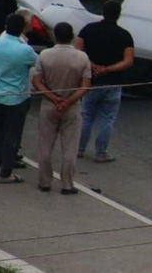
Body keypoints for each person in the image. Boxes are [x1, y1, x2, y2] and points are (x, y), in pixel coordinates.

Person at [33, 22, 91, 194]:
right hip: (72, 106)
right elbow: (85, 86)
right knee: (70, 148)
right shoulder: (82, 58)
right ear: (72, 36)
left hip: (49, 104)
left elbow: (37, 82)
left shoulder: (45, 55)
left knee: (45, 146)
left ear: (55, 36)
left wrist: (53, 98)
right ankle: (67, 184)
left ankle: (45, 181)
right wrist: (67, 101)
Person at [77, 0, 134, 162]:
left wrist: (93, 66)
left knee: (86, 115)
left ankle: (79, 148)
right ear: (119, 14)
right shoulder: (125, 35)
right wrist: (108, 69)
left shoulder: (88, 29)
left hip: (91, 81)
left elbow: (78, 51)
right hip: (113, 83)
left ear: (102, 12)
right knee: (107, 119)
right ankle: (101, 152)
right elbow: (128, 61)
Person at [0, 14, 37, 183]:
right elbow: (37, 63)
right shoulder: (25, 50)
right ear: (22, 29)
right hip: (16, 97)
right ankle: (6, 172)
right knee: (11, 136)